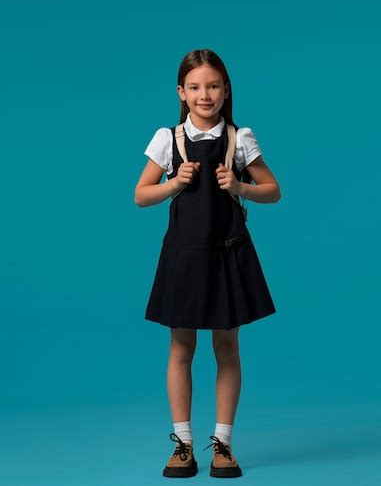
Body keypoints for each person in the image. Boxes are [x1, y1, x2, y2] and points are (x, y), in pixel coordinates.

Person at [134, 49, 281, 478]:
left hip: (227, 253)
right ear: (182, 92)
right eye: (195, 87)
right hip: (183, 255)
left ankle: (224, 443)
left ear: (225, 90)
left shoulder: (239, 138)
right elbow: (140, 195)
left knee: (226, 346)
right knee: (181, 347)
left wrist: (240, 185)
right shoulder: (169, 138)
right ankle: (182, 444)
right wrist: (173, 185)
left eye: (213, 86)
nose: (205, 95)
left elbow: (273, 189)